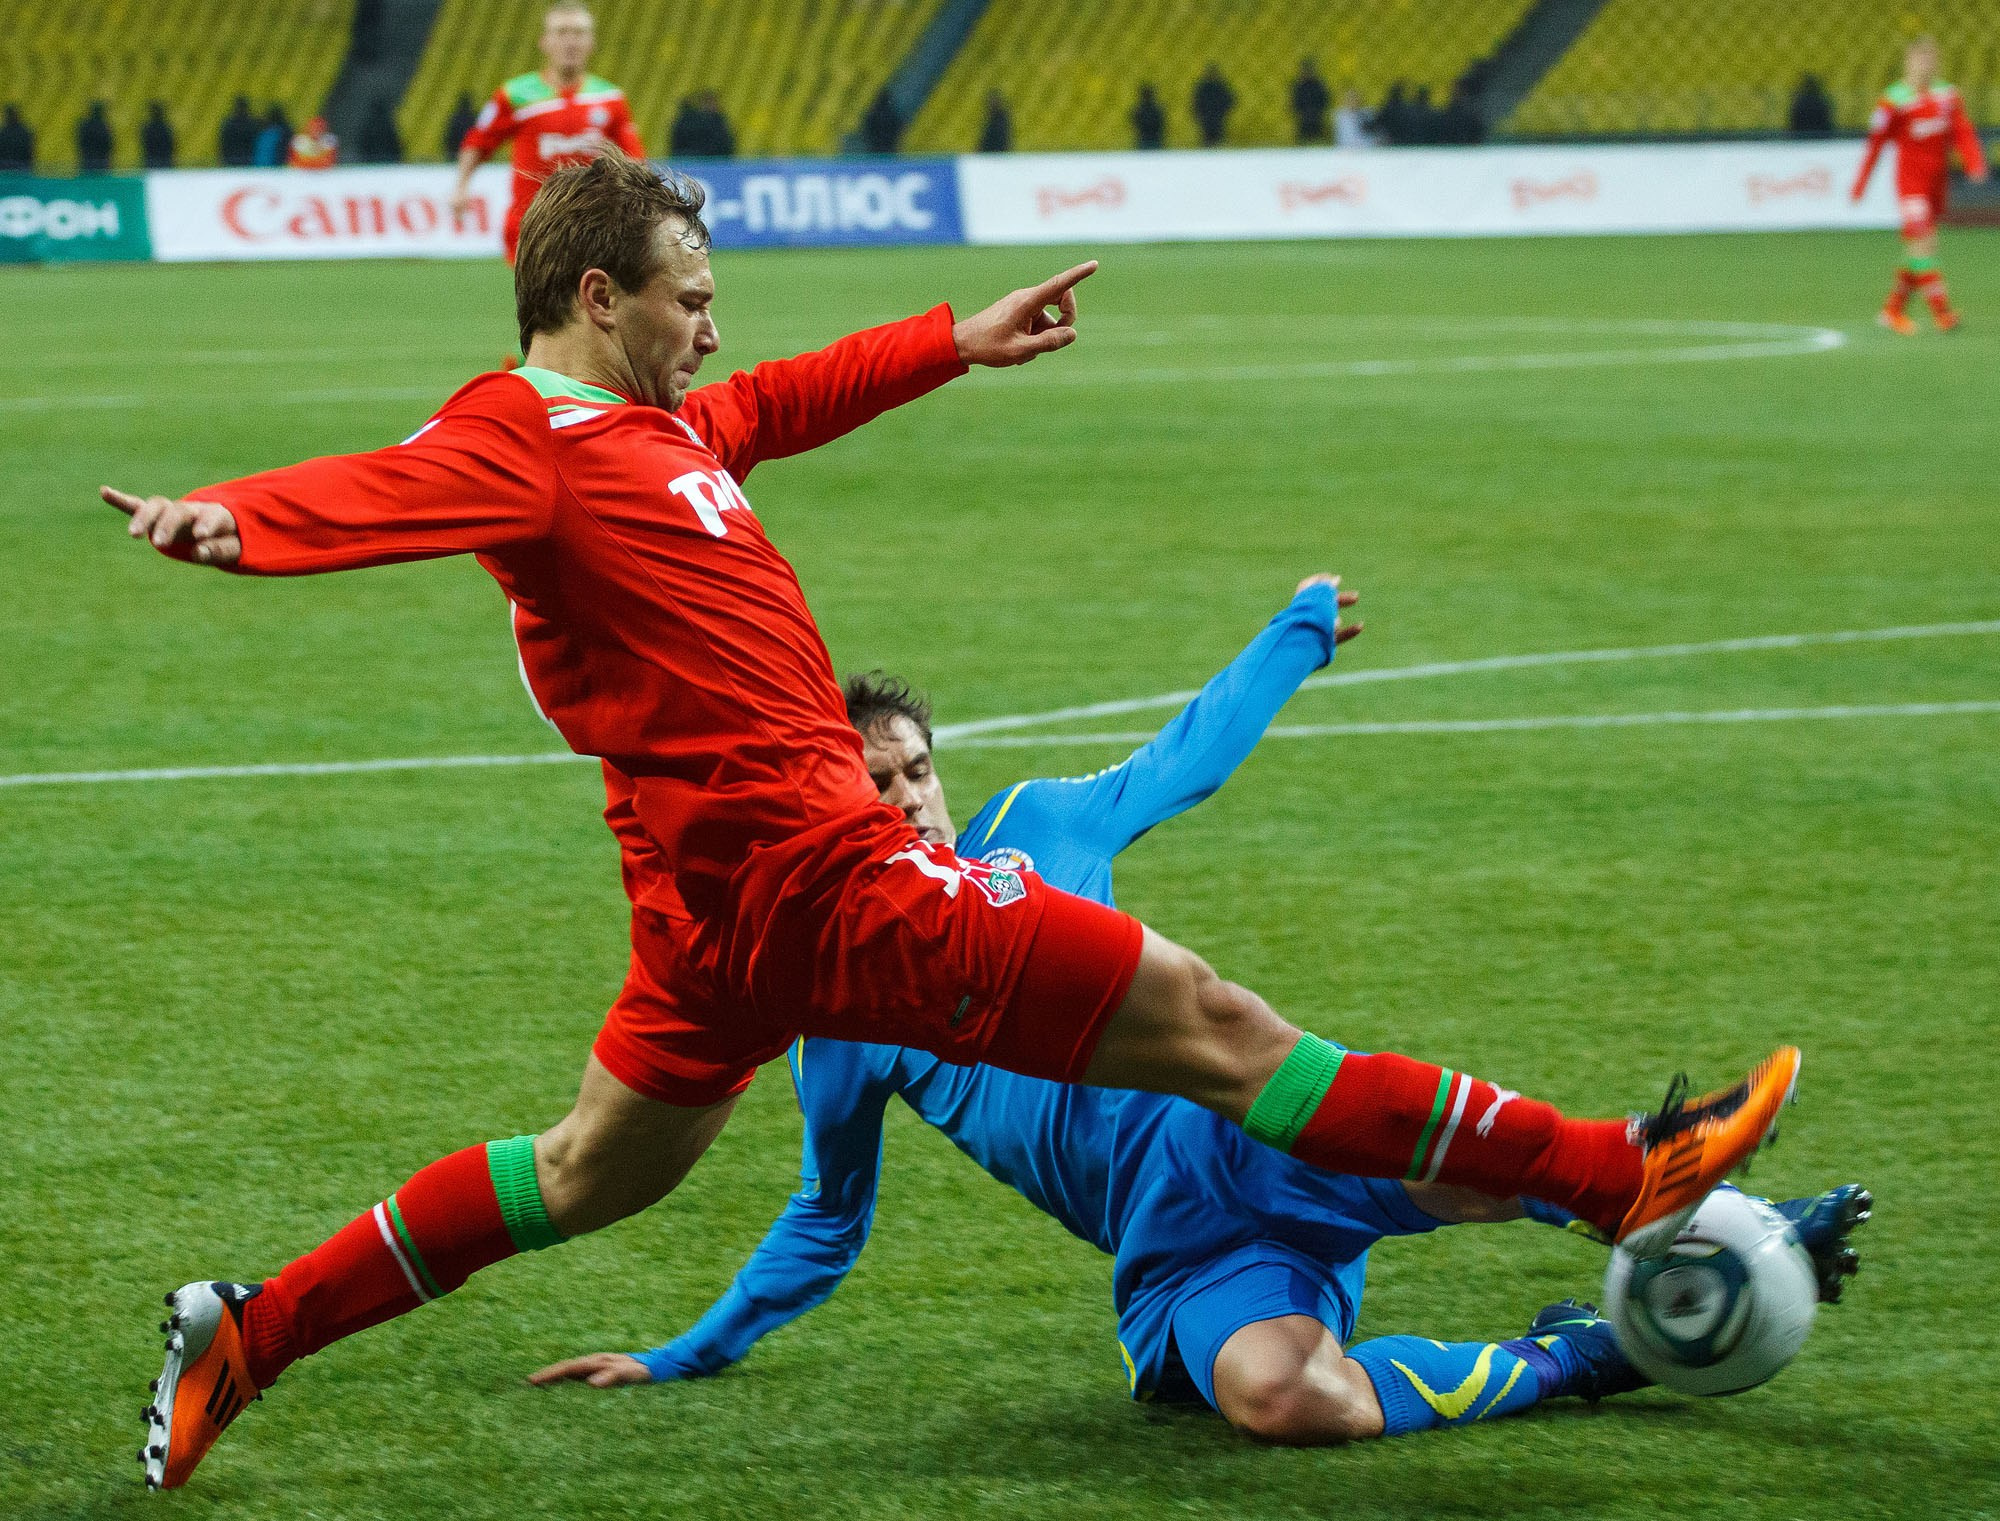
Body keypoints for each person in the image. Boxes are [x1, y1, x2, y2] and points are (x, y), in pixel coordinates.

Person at [109, 151, 1797, 1491]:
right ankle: (1618, 1175)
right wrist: (234, 521)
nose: (711, 328)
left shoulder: (664, 427)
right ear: (597, 293)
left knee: (575, 1175)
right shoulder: (525, 432)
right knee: (1218, 1023)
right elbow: (393, 481)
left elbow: (772, 404)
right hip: (833, 882)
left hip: (707, 922)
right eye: (689, 299)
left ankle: (255, 1331)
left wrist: (948, 344)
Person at [528, 622, 1872, 1444]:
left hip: (1242, 1125)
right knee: (1290, 1402)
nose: (911, 802)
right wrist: (684, 1350)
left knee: (1485, 1168)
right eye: (876, 786)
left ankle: (1739, 1225)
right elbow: (827, 1216)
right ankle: (1590, 1349)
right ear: (831, 796)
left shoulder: (1036, 830)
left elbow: (1185, 761)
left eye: (920, 771)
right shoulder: (842, 1017)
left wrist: (1291, 637)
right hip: (1173, 1241)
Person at [450, 1, 645, 263]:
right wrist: (461, 186)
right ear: (545, 42)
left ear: (591, 43)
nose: (570, 42)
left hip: (592, 224)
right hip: (533, 222)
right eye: (562, 32)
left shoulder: (610, 98)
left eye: (578, 33)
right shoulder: (515, 95)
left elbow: (634, 161)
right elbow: (478, 141)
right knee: (542, 302)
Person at [1851, 35, 1988, 334]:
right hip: (1910, 184)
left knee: (1919, 250)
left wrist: (1974, 162)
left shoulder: (1948, 95)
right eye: (1920, 59)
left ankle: (1892, 309)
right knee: (1925, 244)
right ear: (1908, 61)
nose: (1926, 65)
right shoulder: (1893, 99)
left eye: (1931, 59)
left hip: (1937, 185)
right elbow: (1875, 144)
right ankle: (1943, 313)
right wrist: (1861, 183)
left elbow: (1963, 131)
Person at [1192, 63, 1235, 147]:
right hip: (1211, 119)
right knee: (1212, 140)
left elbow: (1196, 103)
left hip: (1212, 118)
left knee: (1212, 140)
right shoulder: (1214, 87)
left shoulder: (1206, 87)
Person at [1290, 58, 1330, 144]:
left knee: (1318, 142)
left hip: (1317, 119)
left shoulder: (1318, 85)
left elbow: (1324, 100)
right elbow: (1295, 102)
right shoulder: (1298, 86)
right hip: (1303, 120)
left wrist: (1317, 112)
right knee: (1303, 142)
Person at [1788, 72, 1834, 137]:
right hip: (1820, 138)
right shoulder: (1822, 101)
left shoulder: (1799, 102)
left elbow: (1794, 123)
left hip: (1801, 139)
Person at [357, 98, 403, 164]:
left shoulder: (369, 125)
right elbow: (395, 143)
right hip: (388, 160)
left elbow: (362, 142)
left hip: (372, 160)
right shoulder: (388, 125)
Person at [860, 86, 902, 154]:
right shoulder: (891, 113)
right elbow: (899, 126)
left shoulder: (873, 114)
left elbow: (867, 127)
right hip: (889, 144)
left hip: (875, 144)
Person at [218, 95, 258, 167]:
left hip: (231, 160)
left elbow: (223, 143)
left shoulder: (229, 124)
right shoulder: (252, 124)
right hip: (247, 160)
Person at [75, 99, 112, 175]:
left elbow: (80, 142)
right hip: (102, 161)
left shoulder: (85, 125)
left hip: (87, 160)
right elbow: (109, 144)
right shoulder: (103, 127)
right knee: (101, 183)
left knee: (87, 183)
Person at [442, 91, 480, 159]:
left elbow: (449, 136)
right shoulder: (474, 117)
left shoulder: (455, 117)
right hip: (469, 151)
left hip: (455, 151)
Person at [140, 101, 176, 169]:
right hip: (164, 161)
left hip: (151, 161)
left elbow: (145, 144)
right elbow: (172, 145)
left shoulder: (148, 128)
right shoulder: (166, 128)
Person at [0, 104, 34, 172]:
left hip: (5, 167)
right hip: (23, 167)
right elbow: (30, 153)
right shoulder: (25, 132)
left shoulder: (3, 133)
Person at [1131, 83, 1165, 149]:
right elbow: (1162, 124)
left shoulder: (1139, 110)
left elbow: (1135, 123)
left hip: (1145, 139)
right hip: (1154, 140)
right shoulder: (1156, 110)